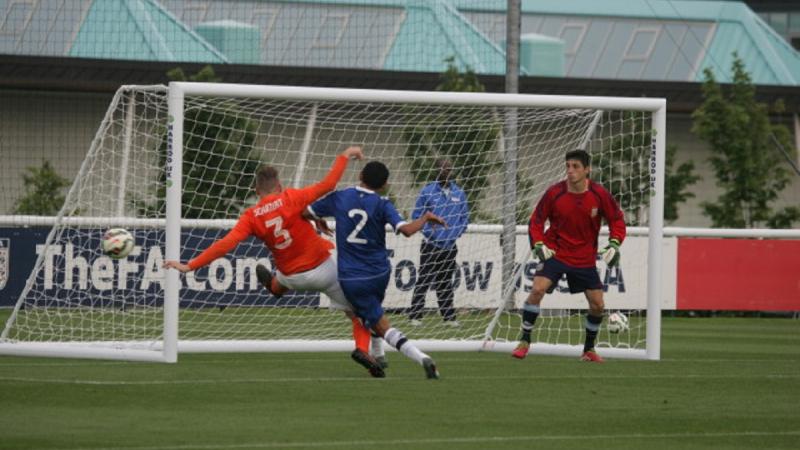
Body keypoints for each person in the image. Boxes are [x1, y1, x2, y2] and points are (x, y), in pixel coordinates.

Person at [162, 146, 388, 378]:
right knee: (358, 312)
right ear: (279, 186)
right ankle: (363, 350)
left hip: (290, 276)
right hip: (324, 269)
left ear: (256, 190)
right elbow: (328, 185)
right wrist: (344, 156)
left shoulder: (251, 217)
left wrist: (190, 265)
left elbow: (226, 244)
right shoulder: (291, 198)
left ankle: (274, 287)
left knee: (283, 276)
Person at [307, 161, 447, 379]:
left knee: (375, 322)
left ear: (360, 174)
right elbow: (407, 230)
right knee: (369, 313)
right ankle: (379, 355)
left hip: (352, 277)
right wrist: (425, 218)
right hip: (380, 273)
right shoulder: (383, 204)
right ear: (384, 185)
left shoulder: (341, 197)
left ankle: (422, 358)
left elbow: (304, 211)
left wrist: (318, 219)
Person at [512, 149, 626, 363]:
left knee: (598, 305)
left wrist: (615, 243)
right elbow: (536, 221)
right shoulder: (555, 192)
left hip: (584, 257)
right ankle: (524, 341)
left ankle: (589, 350)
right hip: (556, 252)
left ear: (587, 170)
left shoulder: (599, 194)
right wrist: (538, 244)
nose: (570, 171)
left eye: (575, 167)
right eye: (568, 166)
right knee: (537, 290)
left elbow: (617, 221)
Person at [408, 158, 469, 326]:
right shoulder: (427, 192)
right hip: (430, 245)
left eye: (448, 169)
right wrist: (431, 233)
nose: (446, 171)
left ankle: (449, 317)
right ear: (436, 171)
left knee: (446, 281)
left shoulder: (459, 193)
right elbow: (416, 217)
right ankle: (415, 315)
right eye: (442, 168)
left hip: (450, 246)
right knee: (424, 280)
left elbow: (465, 219)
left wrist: (454, 233)